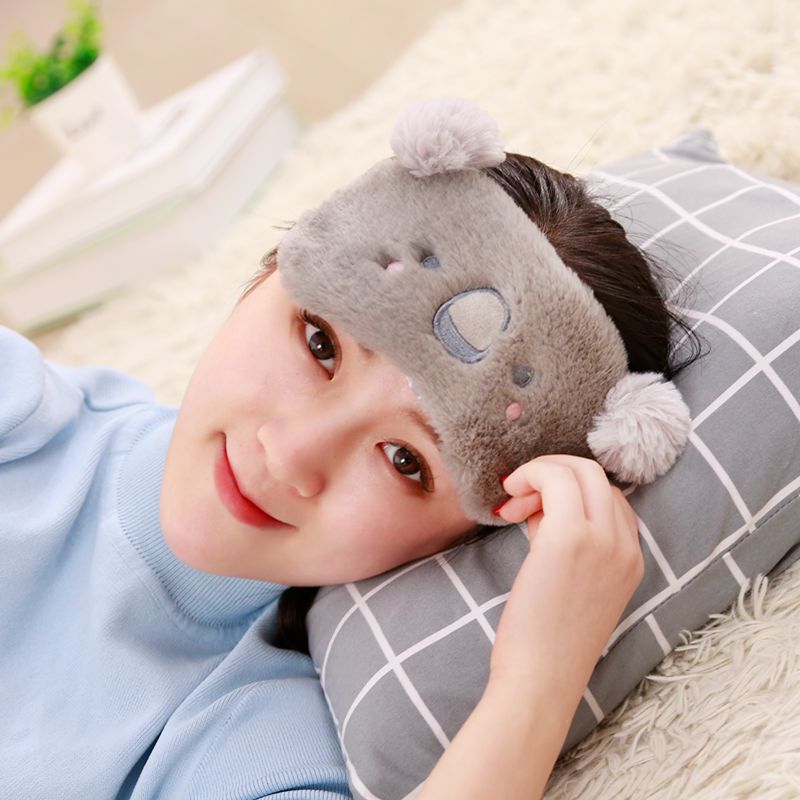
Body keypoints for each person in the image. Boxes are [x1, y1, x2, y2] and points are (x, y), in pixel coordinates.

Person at [0, 97, 703, 799]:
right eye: (319, 344)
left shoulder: (254, 742)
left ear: (461, 536)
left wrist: (539, 680)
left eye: (406, 462)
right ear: (274, 268)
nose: (291, 456)